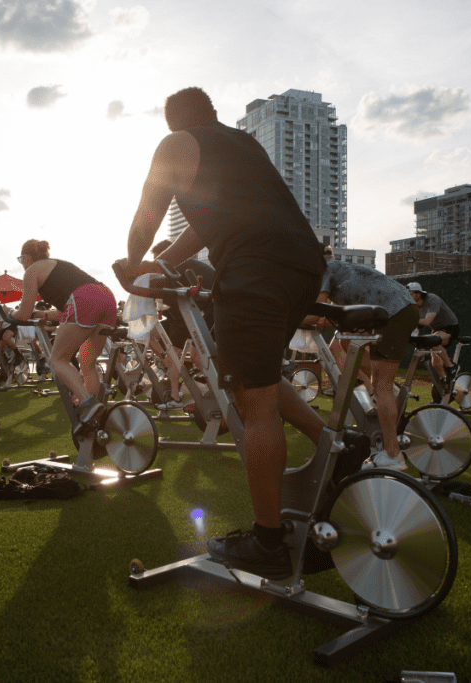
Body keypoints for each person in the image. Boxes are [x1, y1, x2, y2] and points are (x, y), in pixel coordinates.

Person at [116, 87, 327, 580]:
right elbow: (204, 232)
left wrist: (130, 268)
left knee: (252, 403)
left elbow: (149, 211)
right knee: (261, 377)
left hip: (255, 268)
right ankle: (332, 439)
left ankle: (267, 540)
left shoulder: (177, 143)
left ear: (175, 121)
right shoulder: (241, 145)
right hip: (303, 267)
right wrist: (163, 264)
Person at [316, 255, 419, 471]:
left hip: (395, 311)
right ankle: (384, 395)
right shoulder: (341, 270)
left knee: (381, 384)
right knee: (348, 346)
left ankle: (393, 455)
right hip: (397, 308)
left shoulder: (325, 268)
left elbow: (317, 307)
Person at [12, 239, 117, 435]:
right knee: (87, 362)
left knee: (57, 359)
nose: (22, 263)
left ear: (26, 258)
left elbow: (23, 313)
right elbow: (65, 313)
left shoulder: (32, 270)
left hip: (84, 300)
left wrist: (9, 315)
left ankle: (86, 402)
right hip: (106, 297)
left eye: (21, 260)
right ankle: (94, 409)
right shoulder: (58, 267)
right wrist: (41, 314)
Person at [149, 237, 215, 409]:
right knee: (158, 340)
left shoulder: (177, 267)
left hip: (215, 308)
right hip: (197, 310)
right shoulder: (179, 268)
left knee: (193, 354)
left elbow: (169, 298)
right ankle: (176, 396)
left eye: (159, 260)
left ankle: (218, 395)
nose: (157, 266)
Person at [407, 282, 460, 383]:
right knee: (436, 364)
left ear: (418, 294)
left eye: (411, 294)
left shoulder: (432, 299)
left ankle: (452, 367)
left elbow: (427, 321)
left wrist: (410, 320)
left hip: (450, 327)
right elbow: (417, 323)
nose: (408, 297)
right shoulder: (414, 305)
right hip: (437, 330)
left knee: (431, 341)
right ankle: (444, 386)